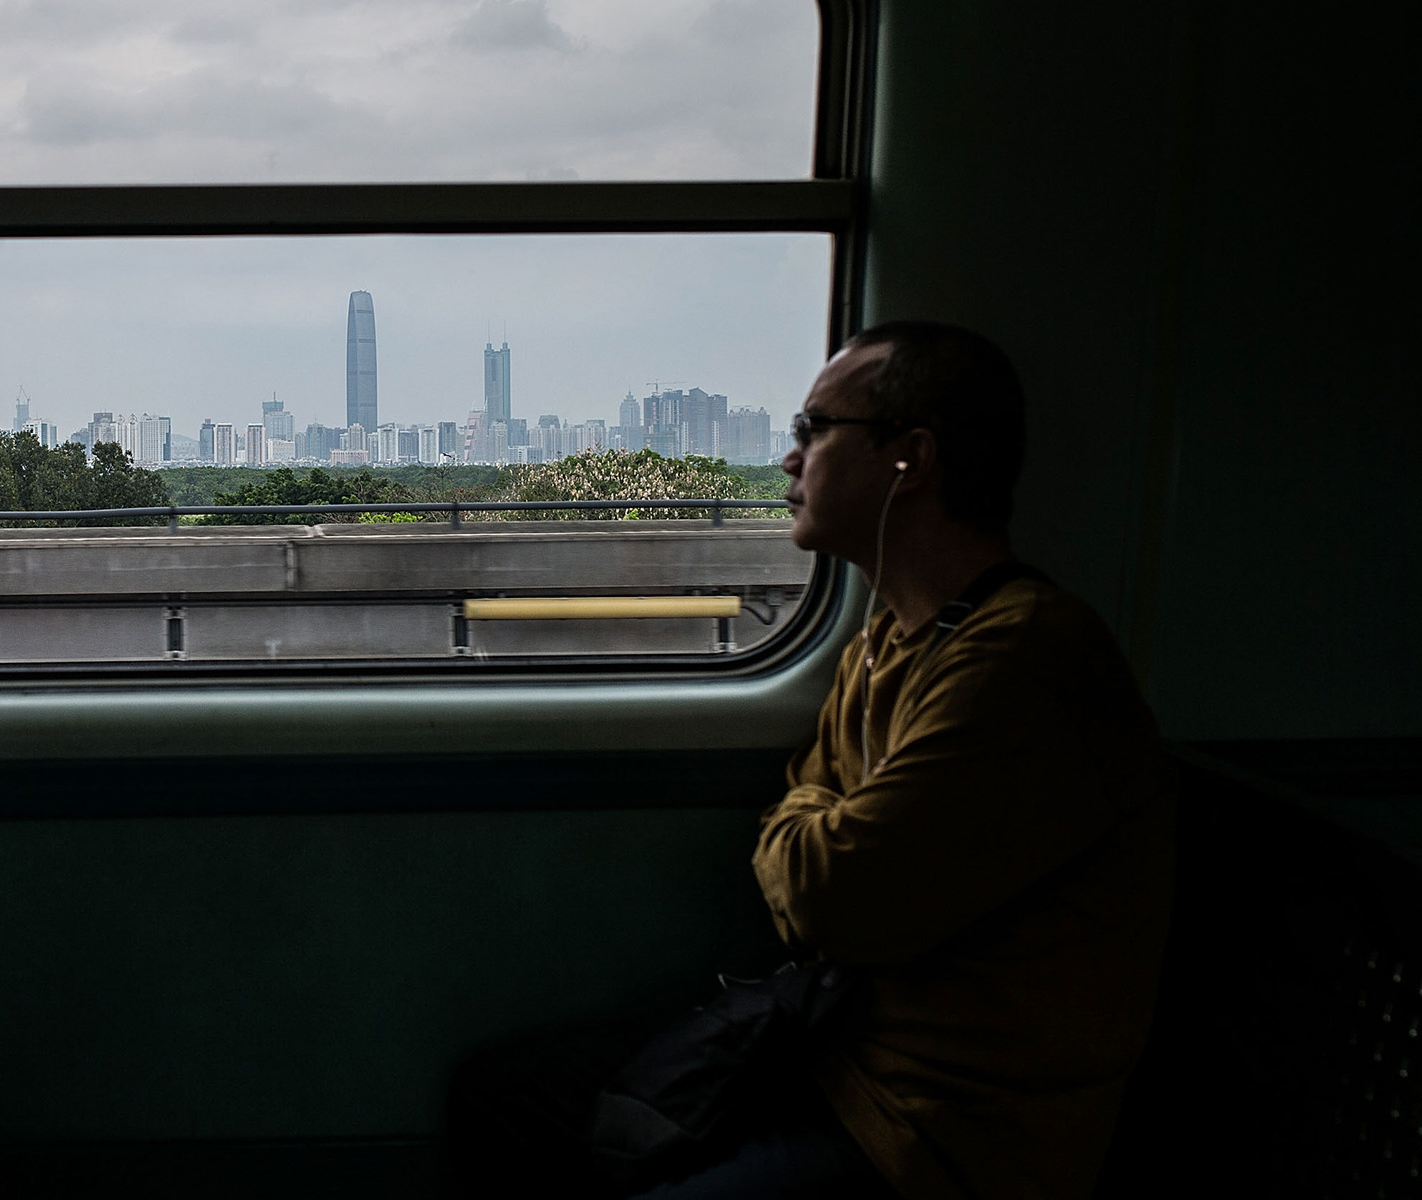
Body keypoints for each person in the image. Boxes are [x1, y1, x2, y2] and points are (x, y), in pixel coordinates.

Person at [447, 321, 1175, 1200]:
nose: (790, 463)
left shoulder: (1024, 660)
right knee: (502, 1095)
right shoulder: (888, 639)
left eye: (813, 431)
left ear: (910, 458)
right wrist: (814, 824)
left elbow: (835, 898)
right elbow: (814, 817)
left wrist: (809, 826)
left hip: (940, 1134)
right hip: (834, 1049)